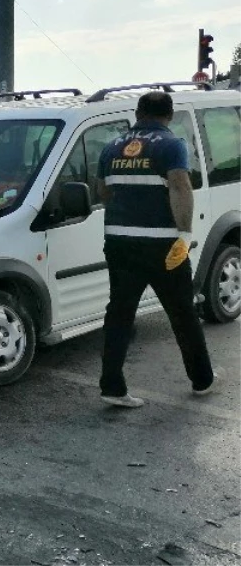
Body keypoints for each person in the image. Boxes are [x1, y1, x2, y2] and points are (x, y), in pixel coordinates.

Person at [95, 90, 215, 408]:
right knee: (182, 312)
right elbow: (179, 185)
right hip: (162, 244)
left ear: (137, 113)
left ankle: (112, 386)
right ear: (170, 116)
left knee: (119, 313)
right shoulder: (171, 145)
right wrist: (185, 234)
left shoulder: (111, 147)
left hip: (119, 242)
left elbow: (103, 192)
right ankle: (202, 379)